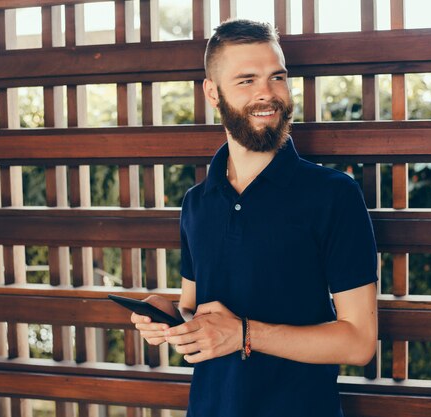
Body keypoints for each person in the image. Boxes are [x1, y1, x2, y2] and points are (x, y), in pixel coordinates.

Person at [131, 19, 378, 417]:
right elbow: (195, 308)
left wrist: (244, 334)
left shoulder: (334, 195)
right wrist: (167, 314)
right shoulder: (197, 202)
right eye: (246, 80)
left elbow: (359, 342)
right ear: (212, 93)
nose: (267, 93)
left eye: (276, 77)